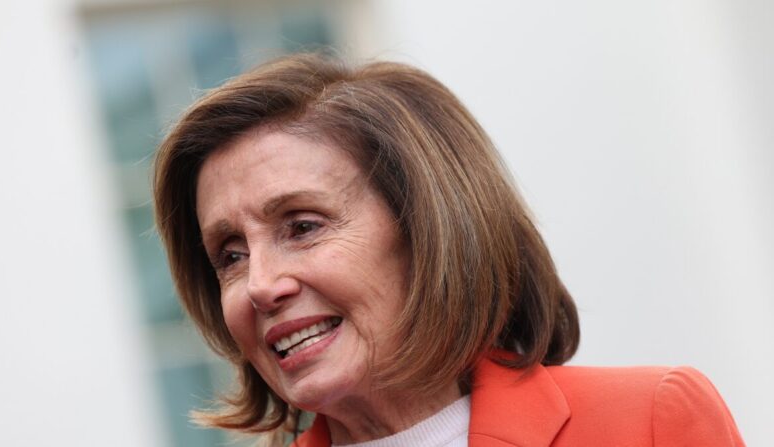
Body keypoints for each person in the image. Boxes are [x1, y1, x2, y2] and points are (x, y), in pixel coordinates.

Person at [153, 53, 744, 446]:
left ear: (428, 231)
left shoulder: (648, 422)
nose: (260, 284)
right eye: (230, 255)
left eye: (302, 227)